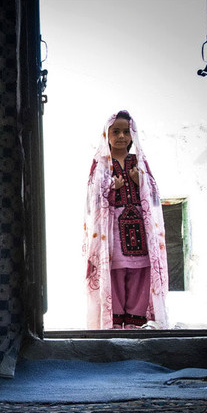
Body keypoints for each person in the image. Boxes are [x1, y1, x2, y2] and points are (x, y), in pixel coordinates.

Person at [83, 110, 169, 329]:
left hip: (140, 230)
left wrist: (141, 182)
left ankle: (135, 326)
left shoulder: (139, 162)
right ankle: (113, 325)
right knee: (115, 273)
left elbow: (154, 197)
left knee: (140, 273)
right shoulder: (101, 163)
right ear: (107, 134)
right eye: (116, 131)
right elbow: (92, 199)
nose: (122, 136)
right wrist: (112, 186)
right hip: (111, 233)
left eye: (126, 131)